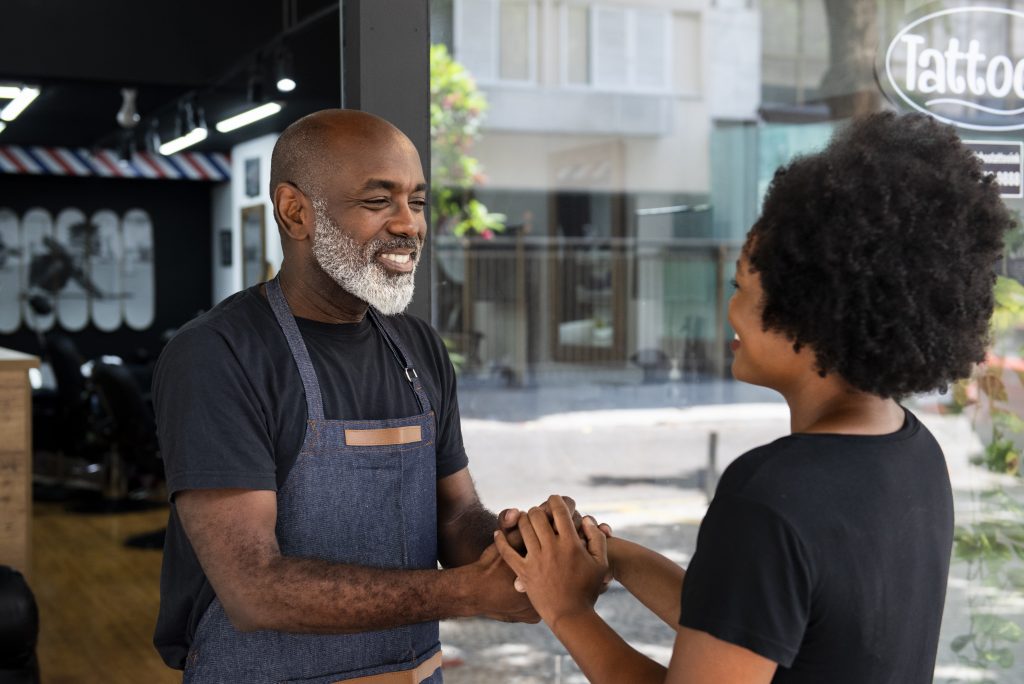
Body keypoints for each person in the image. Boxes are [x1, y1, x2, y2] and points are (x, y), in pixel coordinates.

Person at [495, 111, 1011, 683]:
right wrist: (613, 557)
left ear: (810, 307)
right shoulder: (914, 451)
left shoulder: (768, 498)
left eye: (742, 285)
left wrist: (565, 610)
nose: (731, 309)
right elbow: (749, 622)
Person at [152, 109, 575, 682]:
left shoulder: (417, 346)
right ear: (296, 212)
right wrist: (466, 592)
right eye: (379, 202)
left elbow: (455, 516)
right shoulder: (220, 355)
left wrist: (524, 552)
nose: (410, 225)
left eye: (417, 202)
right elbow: (254, 590)